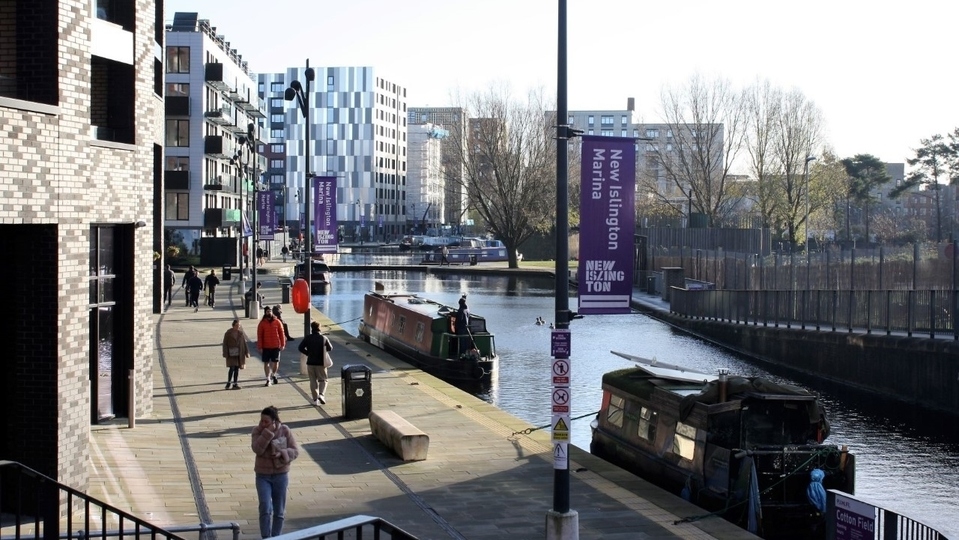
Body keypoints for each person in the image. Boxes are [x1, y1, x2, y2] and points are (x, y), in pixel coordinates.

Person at [251, 405, 298, 538]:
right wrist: (268, 432)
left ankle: (277, 536)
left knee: (279, 510)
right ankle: (266, 537)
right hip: (262, 475)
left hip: (280, 475)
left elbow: (295, 451)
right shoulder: (257, 431)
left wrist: (282, 453)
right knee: (265, 507)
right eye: (262, 421)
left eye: (266, 421)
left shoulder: (285, 430)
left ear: (274, 420)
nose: (263, 424)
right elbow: (257, 449)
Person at [298, 321, 333, 406]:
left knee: (313, 381)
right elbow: (330, 348)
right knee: (323, 380)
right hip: (321, 362)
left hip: (310, 362)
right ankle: (321, 394)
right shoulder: (323, 338)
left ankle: (315, 399)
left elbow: (300, 347)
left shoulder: (308, 338)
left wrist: (307, 353)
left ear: (312, 328)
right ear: (319, 328)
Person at [257, 306, 286, 386]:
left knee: (276, 362)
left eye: (270, 311)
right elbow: (259, 335)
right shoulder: (262, 323)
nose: (269, 313)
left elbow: (282, 333)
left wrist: (283, 344)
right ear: (265, 313)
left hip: (276, 346)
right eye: (267, 311)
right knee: (266, 363)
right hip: (266, 347)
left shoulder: (277, 322)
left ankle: (274, 374)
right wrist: (260, 346)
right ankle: (268, 378)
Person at [222, 319, 249, 389]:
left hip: (239, 353)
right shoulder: (228, 333)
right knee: (232, 368)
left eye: (239, 325)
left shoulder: (241, 333)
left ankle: (235, 383)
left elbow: (244, 343)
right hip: (231, 353)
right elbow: (224, 343)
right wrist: (225, 352)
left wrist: (247, 352)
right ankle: (228, 382)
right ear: (233, 325)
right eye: (237, 325)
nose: (238, 327)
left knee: (237, 368)